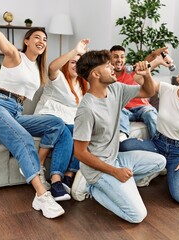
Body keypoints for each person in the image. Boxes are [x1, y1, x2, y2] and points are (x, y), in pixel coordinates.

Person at [0, 0, 73, 219]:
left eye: (45, 39)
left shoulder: (37, 69)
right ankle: (42, 195)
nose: (42, 41)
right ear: (26, 40)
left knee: (57, 124)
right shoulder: (15, 55)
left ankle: (36, 165)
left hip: (15, 112)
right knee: (23, 138)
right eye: (37, 37)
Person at [72, 49, 166, 223]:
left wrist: (146, 75)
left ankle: (121, 185)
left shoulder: (115, 89)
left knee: (161, 162)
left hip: (116, 159)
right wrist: (115, 172)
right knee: (137, 216)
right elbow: (80, 153)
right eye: (108, 66)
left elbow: (148, 92)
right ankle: (93, 188)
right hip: (98, 170)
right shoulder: (87, 109)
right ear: (96, 74)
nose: (113, 67)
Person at [120, 57, 179, 204]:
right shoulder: (167, 89)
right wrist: (153, 64)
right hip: (157, 143)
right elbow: (138, 78)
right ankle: (158, 167)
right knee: (124, 146)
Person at [33, 39, 90, 201]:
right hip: (49, 118)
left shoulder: (82, 84)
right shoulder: (58, 77)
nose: (75, 66)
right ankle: (56, 180)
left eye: (79, 63)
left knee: (80, 133)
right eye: (72, 62)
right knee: (65, 132)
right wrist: (75, 50)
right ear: (66, 63)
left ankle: (69, 175)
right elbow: (51, 67)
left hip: (69, 120)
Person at [110, 45, 160, 141]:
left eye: (122, 56)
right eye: (115, 56)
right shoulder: (108, 76)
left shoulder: (131, 70)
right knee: (116, 110)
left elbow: (145, 63)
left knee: (151, 115)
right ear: (110, 59)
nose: (119, 60)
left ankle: (159, 144)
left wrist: (154, 54)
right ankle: (123, 136)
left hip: (142, 108)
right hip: (123, 110)